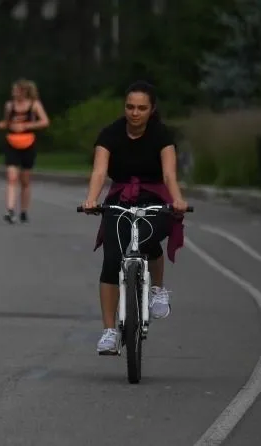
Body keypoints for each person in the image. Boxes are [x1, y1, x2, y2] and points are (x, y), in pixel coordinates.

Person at [80, 80, 189, 355]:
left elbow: (169, 175)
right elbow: (98, 172)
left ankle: (157, 290)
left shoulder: (161, 135)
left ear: (152, 110)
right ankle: (109, 332)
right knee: (112, 258)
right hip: (120, 199)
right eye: (130, 107)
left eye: (142, 108)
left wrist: (177, 199)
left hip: (154, 198)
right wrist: (92, 199)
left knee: (150, 239)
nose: (135, 113)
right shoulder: (110, 134)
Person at [0, 79, 49, 224]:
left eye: (16, 90)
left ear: (24, 91)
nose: (13, 93)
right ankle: (10, 210)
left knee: (25, 180)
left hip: (28, 143)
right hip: (12, 142)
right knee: (11, 177)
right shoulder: (9, 106)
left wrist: (26, 126)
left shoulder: (34, 105)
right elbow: (7, 122)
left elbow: (45, 121)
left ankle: (23, 210)